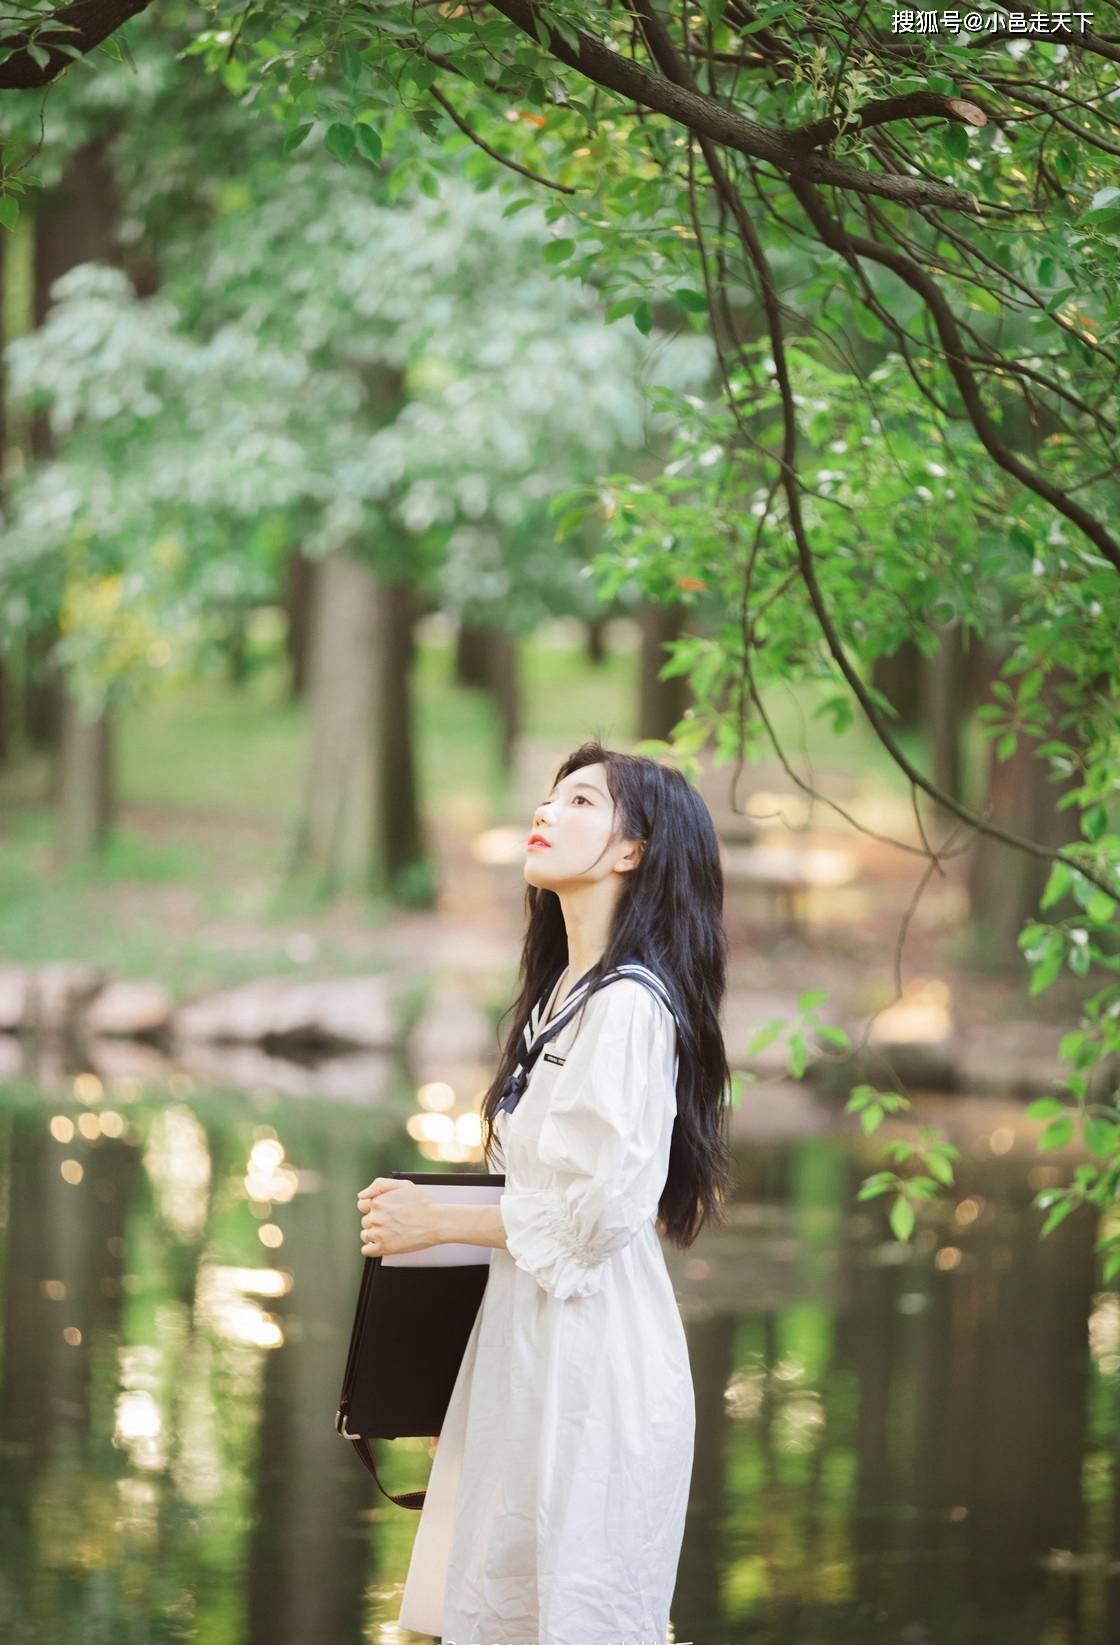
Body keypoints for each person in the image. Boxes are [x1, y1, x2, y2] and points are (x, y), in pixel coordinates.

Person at [356, 737, 734, 1644]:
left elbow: (602, 1210)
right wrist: (467, 1387)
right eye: (549, 797)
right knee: (495, 1606)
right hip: (525, 1344)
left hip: (595, 1360)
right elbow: (538, 1191)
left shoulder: (632, 1006)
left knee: (577, 1608)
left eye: (580, 803)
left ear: (633, 848)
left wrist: (435, 1219)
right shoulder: (561, 991)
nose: (546, 813)